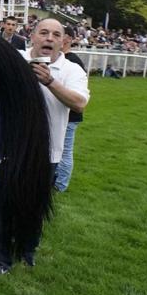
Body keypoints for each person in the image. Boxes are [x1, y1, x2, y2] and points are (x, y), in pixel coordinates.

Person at [0, 18, 90, 274]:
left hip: (47, 151)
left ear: (62, 42)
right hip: (8, 147)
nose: (49, 38)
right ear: (32, 36)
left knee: (34, 204)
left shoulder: (71, 69)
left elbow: (79, 103)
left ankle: (27, 249)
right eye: (43, 32)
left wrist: (50, 82)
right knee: (0, 205)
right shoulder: (14, 58)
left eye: (56, 34)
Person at [54, 26, 87, 192]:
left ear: (67, 39)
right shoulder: (61, 59)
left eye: (59, 35)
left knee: (64, 150)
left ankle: (60, 184)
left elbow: (79, 92)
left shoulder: (72, 61)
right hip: (60, 112)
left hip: (70, 114)